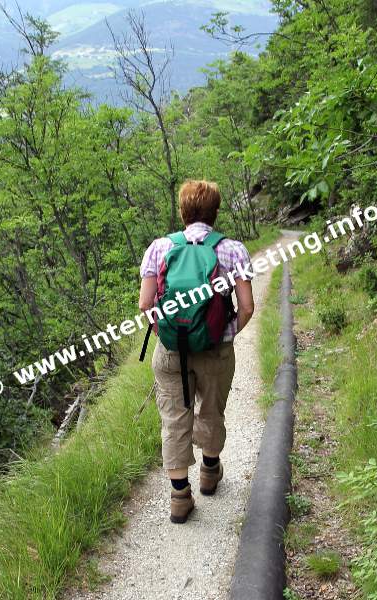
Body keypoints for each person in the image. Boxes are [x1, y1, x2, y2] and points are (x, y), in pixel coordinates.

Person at [139, 180, 254, 523]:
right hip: (216, 349)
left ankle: (179, 497)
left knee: (174, 419)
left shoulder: (159, 248)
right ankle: (208, 472)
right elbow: (246, 307)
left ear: (183, 212)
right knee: (211, 411)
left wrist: (169, 334)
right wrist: (223, 333)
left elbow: (145, 304)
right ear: (215, 212)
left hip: (172, 351)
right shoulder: (233, 249)